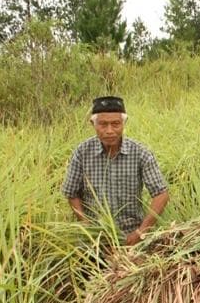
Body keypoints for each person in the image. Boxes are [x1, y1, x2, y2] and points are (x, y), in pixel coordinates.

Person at [62, 96, 169, 246]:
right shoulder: (82, 152)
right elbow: (71, 193)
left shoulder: (140, 153)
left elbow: (161, 194)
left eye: (116, 124)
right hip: (95, 237)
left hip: (131, 236)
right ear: (93, 123)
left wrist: (141, 231)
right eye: (103, 124)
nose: (109, 131)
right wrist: (87, 228)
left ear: (124, 123)